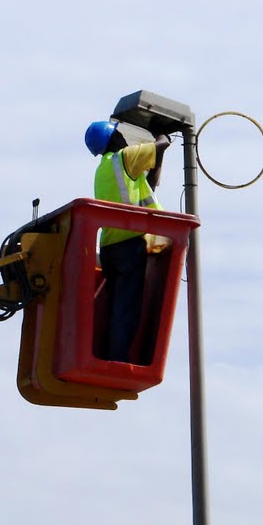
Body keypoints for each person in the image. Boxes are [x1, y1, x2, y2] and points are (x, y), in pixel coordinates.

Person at [84, 120, 172, 362]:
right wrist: (158, 128)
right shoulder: (123, 157)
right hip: (129, 244)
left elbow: (150, 181)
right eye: (120, 135)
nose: (124, 138)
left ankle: (112, 354)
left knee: (116, 306)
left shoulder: (104, 168)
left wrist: (156, 154)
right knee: (127, 308)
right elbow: (162, 144)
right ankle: (118, 358)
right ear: (113, 139)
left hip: (110, 246)